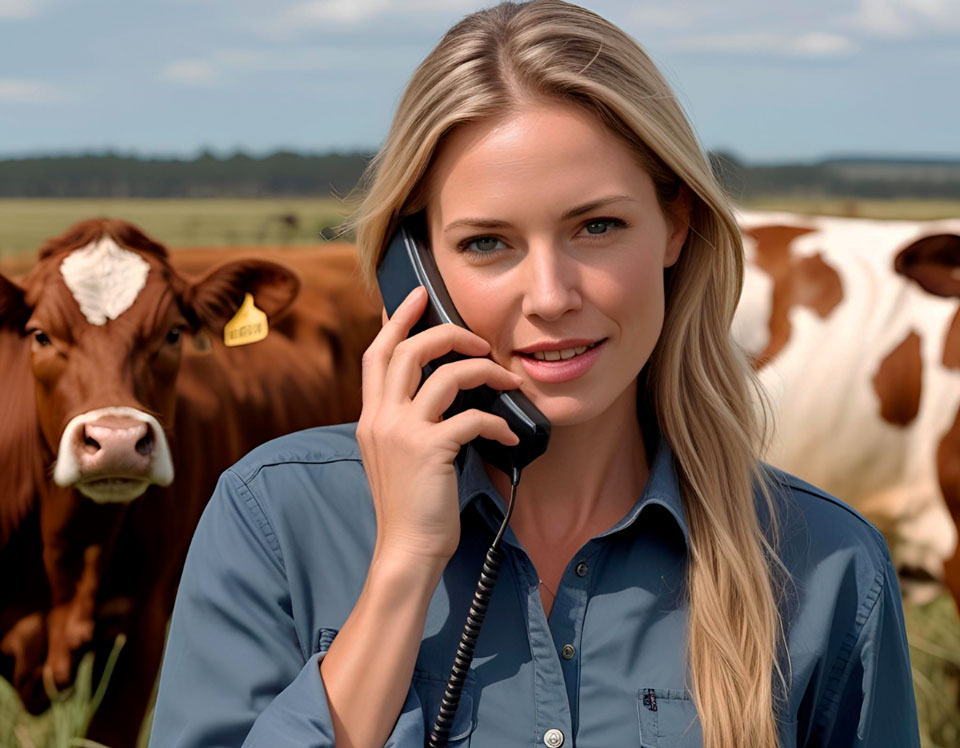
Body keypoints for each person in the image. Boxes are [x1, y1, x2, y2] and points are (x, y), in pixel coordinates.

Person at [148, 2, 920, 747]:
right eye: (488, 243)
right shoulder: (274, 521)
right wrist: (402, 569)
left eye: (597, 226)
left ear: (676, 227)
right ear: (412, 268)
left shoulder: (825, 563)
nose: (551, 297)